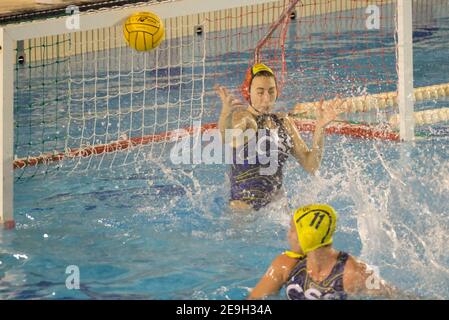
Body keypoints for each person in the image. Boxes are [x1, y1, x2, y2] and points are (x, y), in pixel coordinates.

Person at [215, 63, 345, 211]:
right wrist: (226, 114)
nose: (267, 98)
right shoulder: (243, 117)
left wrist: (320, 127)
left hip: (277, 209)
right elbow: (229, 137)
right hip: (244, 211)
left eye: (271, 91)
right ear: (247, 92)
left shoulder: (284, 122)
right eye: (260, 92)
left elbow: (311, 165)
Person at [247, 204, 400, 300]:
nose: (288, 235)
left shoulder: (357, 272)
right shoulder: (284, 265)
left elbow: (396, 296)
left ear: (306, 236)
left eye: (292, 229)